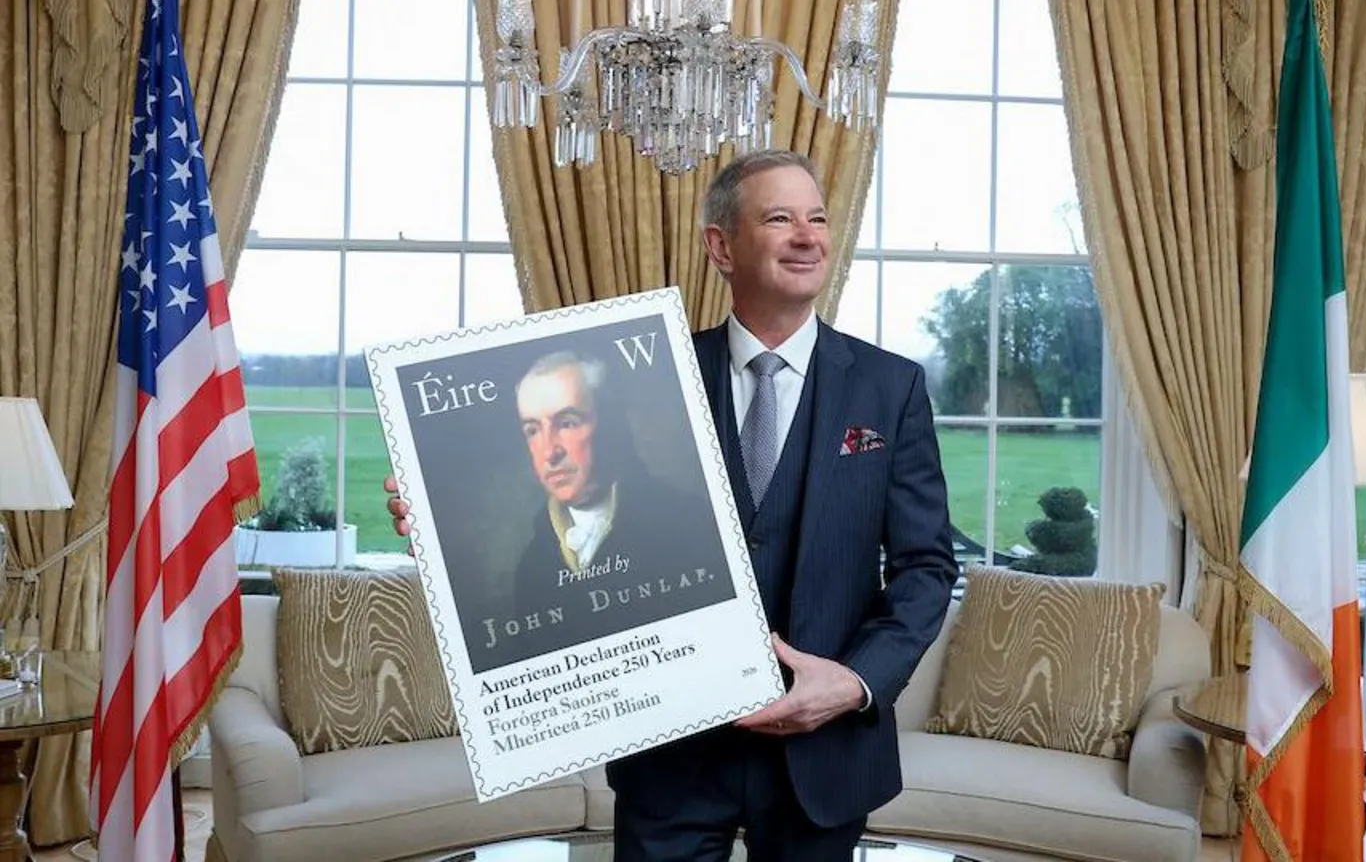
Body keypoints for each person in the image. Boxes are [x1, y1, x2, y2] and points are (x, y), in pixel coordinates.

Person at [384, 149, 958, 861]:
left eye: (816, 218)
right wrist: (441, 523)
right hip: (672, 755)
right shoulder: (650, 378)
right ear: (721, 245)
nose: (808, 236)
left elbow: (927, 566)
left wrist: (855, 682)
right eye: (779, 218)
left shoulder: (890, 387)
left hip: (827, 755)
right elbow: (575, 517)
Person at [440, 347, 736, 672]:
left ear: (610, 424)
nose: (549, 451)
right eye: (533, 430)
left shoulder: (691, 524)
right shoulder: (532, 567)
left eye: (567, 422)